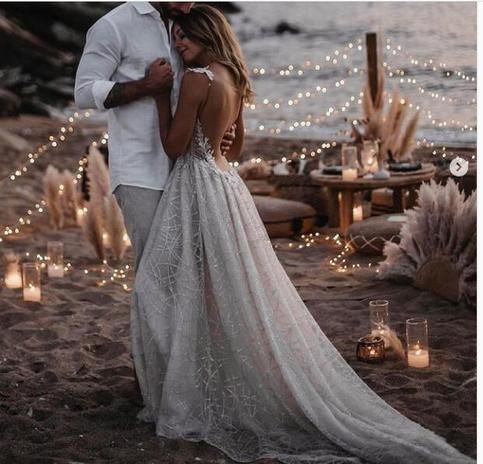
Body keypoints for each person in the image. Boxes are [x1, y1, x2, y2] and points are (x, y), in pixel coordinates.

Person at [74, 2, 234, 401]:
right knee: (154, 281)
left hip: (188, 173)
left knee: (191, 278)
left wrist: (216, 136)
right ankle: (158, 388)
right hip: (141, 172)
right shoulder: (114, 25)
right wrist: (146, 87)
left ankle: (189, 380)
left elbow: (200, 92)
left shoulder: (183, 25)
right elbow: (83, 91)